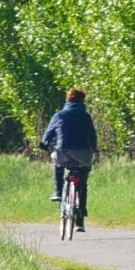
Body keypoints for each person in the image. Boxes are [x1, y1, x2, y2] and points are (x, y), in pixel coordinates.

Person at [40, 87, 98, 231]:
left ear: (67, 100)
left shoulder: (59, 115)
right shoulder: (86, 116)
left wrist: (44, 144)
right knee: (82, 182)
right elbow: (92, 135)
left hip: (63, 152)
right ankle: (80, 220)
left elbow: (48, 133)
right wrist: (94, 148)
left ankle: (58, 191)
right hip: (83, 154)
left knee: (57, 162)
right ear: (82, 101)